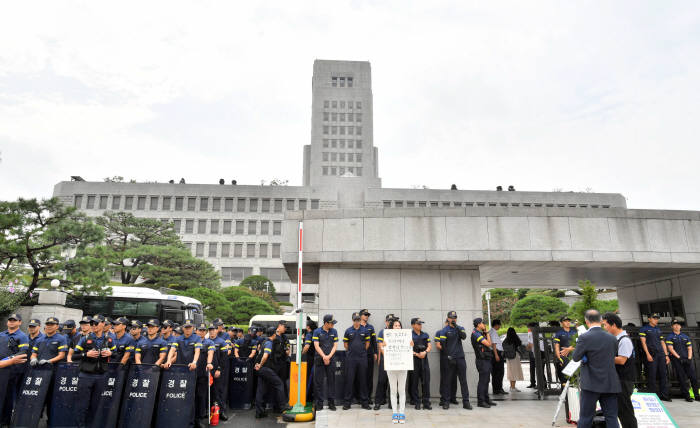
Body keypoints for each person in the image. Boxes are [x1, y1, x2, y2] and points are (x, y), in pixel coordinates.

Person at [572, 310, 621, 428]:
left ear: (586, 321)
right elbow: (612, 356)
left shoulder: (584, 337)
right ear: (600, 320)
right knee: (612, 417)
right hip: (610, 383)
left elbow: (575, 357)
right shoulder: (612, 338)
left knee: (586, 417)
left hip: (590, 384)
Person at [68, 314, 114, 427]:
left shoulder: (108, 339)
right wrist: (86, 354)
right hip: (85, 376)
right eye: (92, 323)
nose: (93, 326)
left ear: (103, 324)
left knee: (95, 406)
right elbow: (74, 356)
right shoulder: (85, 339)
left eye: (96, 323)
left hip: (101, 377)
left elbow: (116, 355)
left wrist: (111, 353)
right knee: (81, 405)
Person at [602, 312, 638, 428]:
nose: (604, 328)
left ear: (613, 325)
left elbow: (622, 360)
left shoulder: (624, 340)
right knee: (620, 409)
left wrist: (603, 357)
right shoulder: (615, 339)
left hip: (624, 380)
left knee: (625, 410)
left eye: (605, 325)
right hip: (618, 379)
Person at [438, 311, 472, 410]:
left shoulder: (460, 328)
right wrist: (448, 356)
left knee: (463, 381)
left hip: (460, 358)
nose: (453, 319)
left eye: (455, 317)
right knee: (448, 381)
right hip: (450, 359)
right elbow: (443, 346)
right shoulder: (444, 330)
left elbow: (464, 337)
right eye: (451, 317)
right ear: (448, 318)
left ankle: (466, 402)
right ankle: (446, 402)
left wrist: (456, 326)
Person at [253, 326, 290, 418]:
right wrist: (260, 365)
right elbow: (265, 356)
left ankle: (259, 411)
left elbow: (258, 351)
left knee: (260, 390)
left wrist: (258, 365)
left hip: (260, 370)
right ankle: (282, 406)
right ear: (274, 334)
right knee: (279, 384)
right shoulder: (269, 343)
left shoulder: (264, 341)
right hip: (265, 368)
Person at [0, 313, 29, 426]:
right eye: (10, 320)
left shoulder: (22, 336)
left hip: (11, 371)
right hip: (1, 369)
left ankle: (5, 421)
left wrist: (8, 359)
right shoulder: (1, 334)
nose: (11, 322)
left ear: (19, 322)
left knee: (7, 397)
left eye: (14, 320)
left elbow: (23, 352)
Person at [383, 318, 412, 424]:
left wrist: (411, 345)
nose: (397, 327)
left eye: (399, 325)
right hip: (391, 368)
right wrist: (384, 346)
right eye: (395, 325)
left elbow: (409, 352)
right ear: (392, 327)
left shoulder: (406, 337)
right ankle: (395, 413)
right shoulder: (387, 338)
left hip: (403, 368)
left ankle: (402, 413)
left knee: (402, 390)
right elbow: (383, 352)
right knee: (393, 390)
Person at [665, 319, 699, 402]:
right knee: (682, 378)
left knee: (693, 377)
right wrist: (679, 357)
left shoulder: (685, 336)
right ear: (672, 326)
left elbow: (689, 348)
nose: (677, 326)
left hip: (687, 359)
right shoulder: (670, 336)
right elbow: (670, 348)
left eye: (678, 325)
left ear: (680, 326)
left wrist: (689, 358)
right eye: (675, 324)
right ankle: (687, 396)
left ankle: (697, 395)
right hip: (677, 360)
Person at [639, 313, 671, 401]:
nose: (656, 320)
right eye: (654, 318)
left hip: (661, 354)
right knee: (652, 375)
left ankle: (664, 395)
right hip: (651, 354)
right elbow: (643, 343)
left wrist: (666, 355)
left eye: (657, 318)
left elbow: (662, 342)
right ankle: (653, 396)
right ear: (649, 319)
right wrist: (647, 354)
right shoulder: (644, 329)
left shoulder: (658, 329)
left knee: (663, 375)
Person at [343, 312, 371, 410]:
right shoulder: (348, 330)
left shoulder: (365, 330)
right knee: (349, 380)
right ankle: (347, 402)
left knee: (363, 380)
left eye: (358, 320)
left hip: (362, 358)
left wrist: (362, 351)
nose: (357, 322)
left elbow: (367, 343)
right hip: (351, 359)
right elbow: (345, 344)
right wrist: (351, 352)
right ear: (352, 320)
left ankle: (364, 402)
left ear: (360, 320)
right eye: (355, 320)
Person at [312, 314, 339, 411]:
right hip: (320, 359)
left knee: (331, 381)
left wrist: (329, 357)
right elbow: (316, 346)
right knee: (319, 382)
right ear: (326, 323)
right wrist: (324, 356)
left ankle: (331, 403)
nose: (333, 325)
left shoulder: (334, 331)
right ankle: (319, 403)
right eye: (332, 323)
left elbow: (335, 346)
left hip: (331, 359)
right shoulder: (317, 331)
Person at [194, 324, 217, 428]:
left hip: (203, 374)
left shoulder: (210, 342)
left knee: (201, 397)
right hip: (191, 373)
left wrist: (209, 363)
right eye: (200, 330)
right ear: (196, 331)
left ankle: (199, 419)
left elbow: (211, 353)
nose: (202, 332)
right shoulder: (193, 340)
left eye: (204, 330)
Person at [472, 317, 496, 408]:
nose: (484, 324)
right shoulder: (476, 334)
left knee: (486, 380)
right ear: (478, 324)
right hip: (481, 360)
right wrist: (487, 333)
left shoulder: (480, 333)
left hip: (486, 359)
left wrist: (486, 333)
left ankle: (486, 399)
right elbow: (489, 344)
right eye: (482, 323)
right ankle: (481, 401)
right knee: (483, 381)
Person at [373, 314, 395, 410]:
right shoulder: (382, 332)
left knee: (393, 382)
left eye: (392, 321)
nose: (390, 323)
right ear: (386, 322)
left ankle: (391, 403)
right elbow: (380, 346)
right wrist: (383, 357)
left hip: (395, 360)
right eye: (389, 321)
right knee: (382, 381)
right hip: (385, 359)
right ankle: (378, 402)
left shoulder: (397, 332)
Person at [409, 317, 432, 410]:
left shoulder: (425, 335)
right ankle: (416, 402)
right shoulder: (409, 335)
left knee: (426, 382)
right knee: (414, 383)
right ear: (413, 325)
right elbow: (406, 349)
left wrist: (425, 352)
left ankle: (426, 402)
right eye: (418, 324)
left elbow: (429, 346)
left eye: (421, 324)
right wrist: (417, 354)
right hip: (414, 361)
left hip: (424, 361)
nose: (420, 325)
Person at [435, 320, 457, 407]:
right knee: (445, 379)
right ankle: (443, 399)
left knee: (454, 379)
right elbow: (438, 345)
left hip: (454, 358)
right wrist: (448, 351)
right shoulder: (439, 332)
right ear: (445, 323)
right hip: (445, 358)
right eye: (448, 323)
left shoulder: (456, 332)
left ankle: (453, 398)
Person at [359, 309, 377, 404]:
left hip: (369, 355)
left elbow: (374, 341)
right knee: (361, 376)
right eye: (365, 314)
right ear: (361, 315)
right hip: (360, 355)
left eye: (367, 315)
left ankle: (368, 397)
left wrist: (375, 353)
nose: (366, 316)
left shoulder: (370, 327)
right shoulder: (357, 326)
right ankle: (361, 398)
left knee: (369, 377)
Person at [554, 316, 577, 387]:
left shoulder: (574, 332)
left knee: (574, 376)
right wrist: (559, 358)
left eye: (568, 321)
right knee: (564, 378)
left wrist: (570, 348)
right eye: (565, 321)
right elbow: (556, 346)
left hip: (574, 356)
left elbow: (579, 344)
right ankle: (565, 395)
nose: (567, 322)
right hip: (564, 357)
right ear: (561, 323)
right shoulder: (559, 333)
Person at [502, 327, 524, 392]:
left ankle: (512, 386)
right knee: (514, 371)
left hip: (508, 357)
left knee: (511, 371)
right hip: (515, 356)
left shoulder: (506, 340)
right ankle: (513, 387)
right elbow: (519, 345)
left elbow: (503, 346)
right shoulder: (515, 339)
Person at [301, 319, 318, 403]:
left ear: (308, 327)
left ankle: (307, 397)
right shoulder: (316, 333)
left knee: (308, 378)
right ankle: (312, 396)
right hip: (315, 358)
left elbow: (306, 347)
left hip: (309, 359)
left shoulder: (309, 334)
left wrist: (301, 354)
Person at [488, 319, 506, 395]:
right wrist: (496, 355)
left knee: (495, 373)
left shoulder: (490, 331)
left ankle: (497, 389)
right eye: (499, 325)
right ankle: (498, 389)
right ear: (497, 325)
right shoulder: (493, 332)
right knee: (499, 372)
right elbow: (494, 344)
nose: (499, 327)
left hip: (494, 353)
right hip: (496, 353)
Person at [526, 322, 545, 389]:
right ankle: (540, 384)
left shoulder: (533, 333)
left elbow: (530, 344)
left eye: (529, 327)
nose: (529, 329)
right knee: (538, 369)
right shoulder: (540, 333)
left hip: (538, 352)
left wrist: (527, 347)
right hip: (538, 352)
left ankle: (541, 384)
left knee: (539, 369)